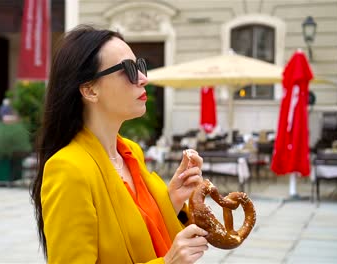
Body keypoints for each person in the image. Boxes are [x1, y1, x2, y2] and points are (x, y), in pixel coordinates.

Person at [31, 25, 208, 264]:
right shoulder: (67, 169)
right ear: (89, 90)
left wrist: (171, 200)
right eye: (128, 69)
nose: (144, 79)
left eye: (139, 66)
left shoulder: (130, 151)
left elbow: (137, 231)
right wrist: (168, 263)